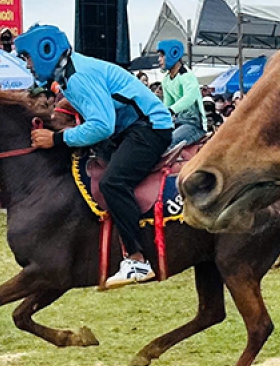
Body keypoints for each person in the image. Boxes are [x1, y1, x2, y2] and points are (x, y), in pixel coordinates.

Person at [16, 23, 174, 286]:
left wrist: (56, 138)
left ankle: (137, 260)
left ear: (45, 50)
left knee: (113, 182)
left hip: (149, 128)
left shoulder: (77, 76)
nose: (28, 65)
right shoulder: (69, 74)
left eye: (28, 57)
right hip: (131, 128)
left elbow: (102, 125)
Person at [156, 39, 207, 148]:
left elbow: (190, 97)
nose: (159, 60)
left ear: (174, 53)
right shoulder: (166, 80)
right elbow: (167, 103)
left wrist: (171, 110)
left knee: (168, 143)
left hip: (194, 124)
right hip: (178, 123)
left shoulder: (186, 75)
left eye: (161, 56)